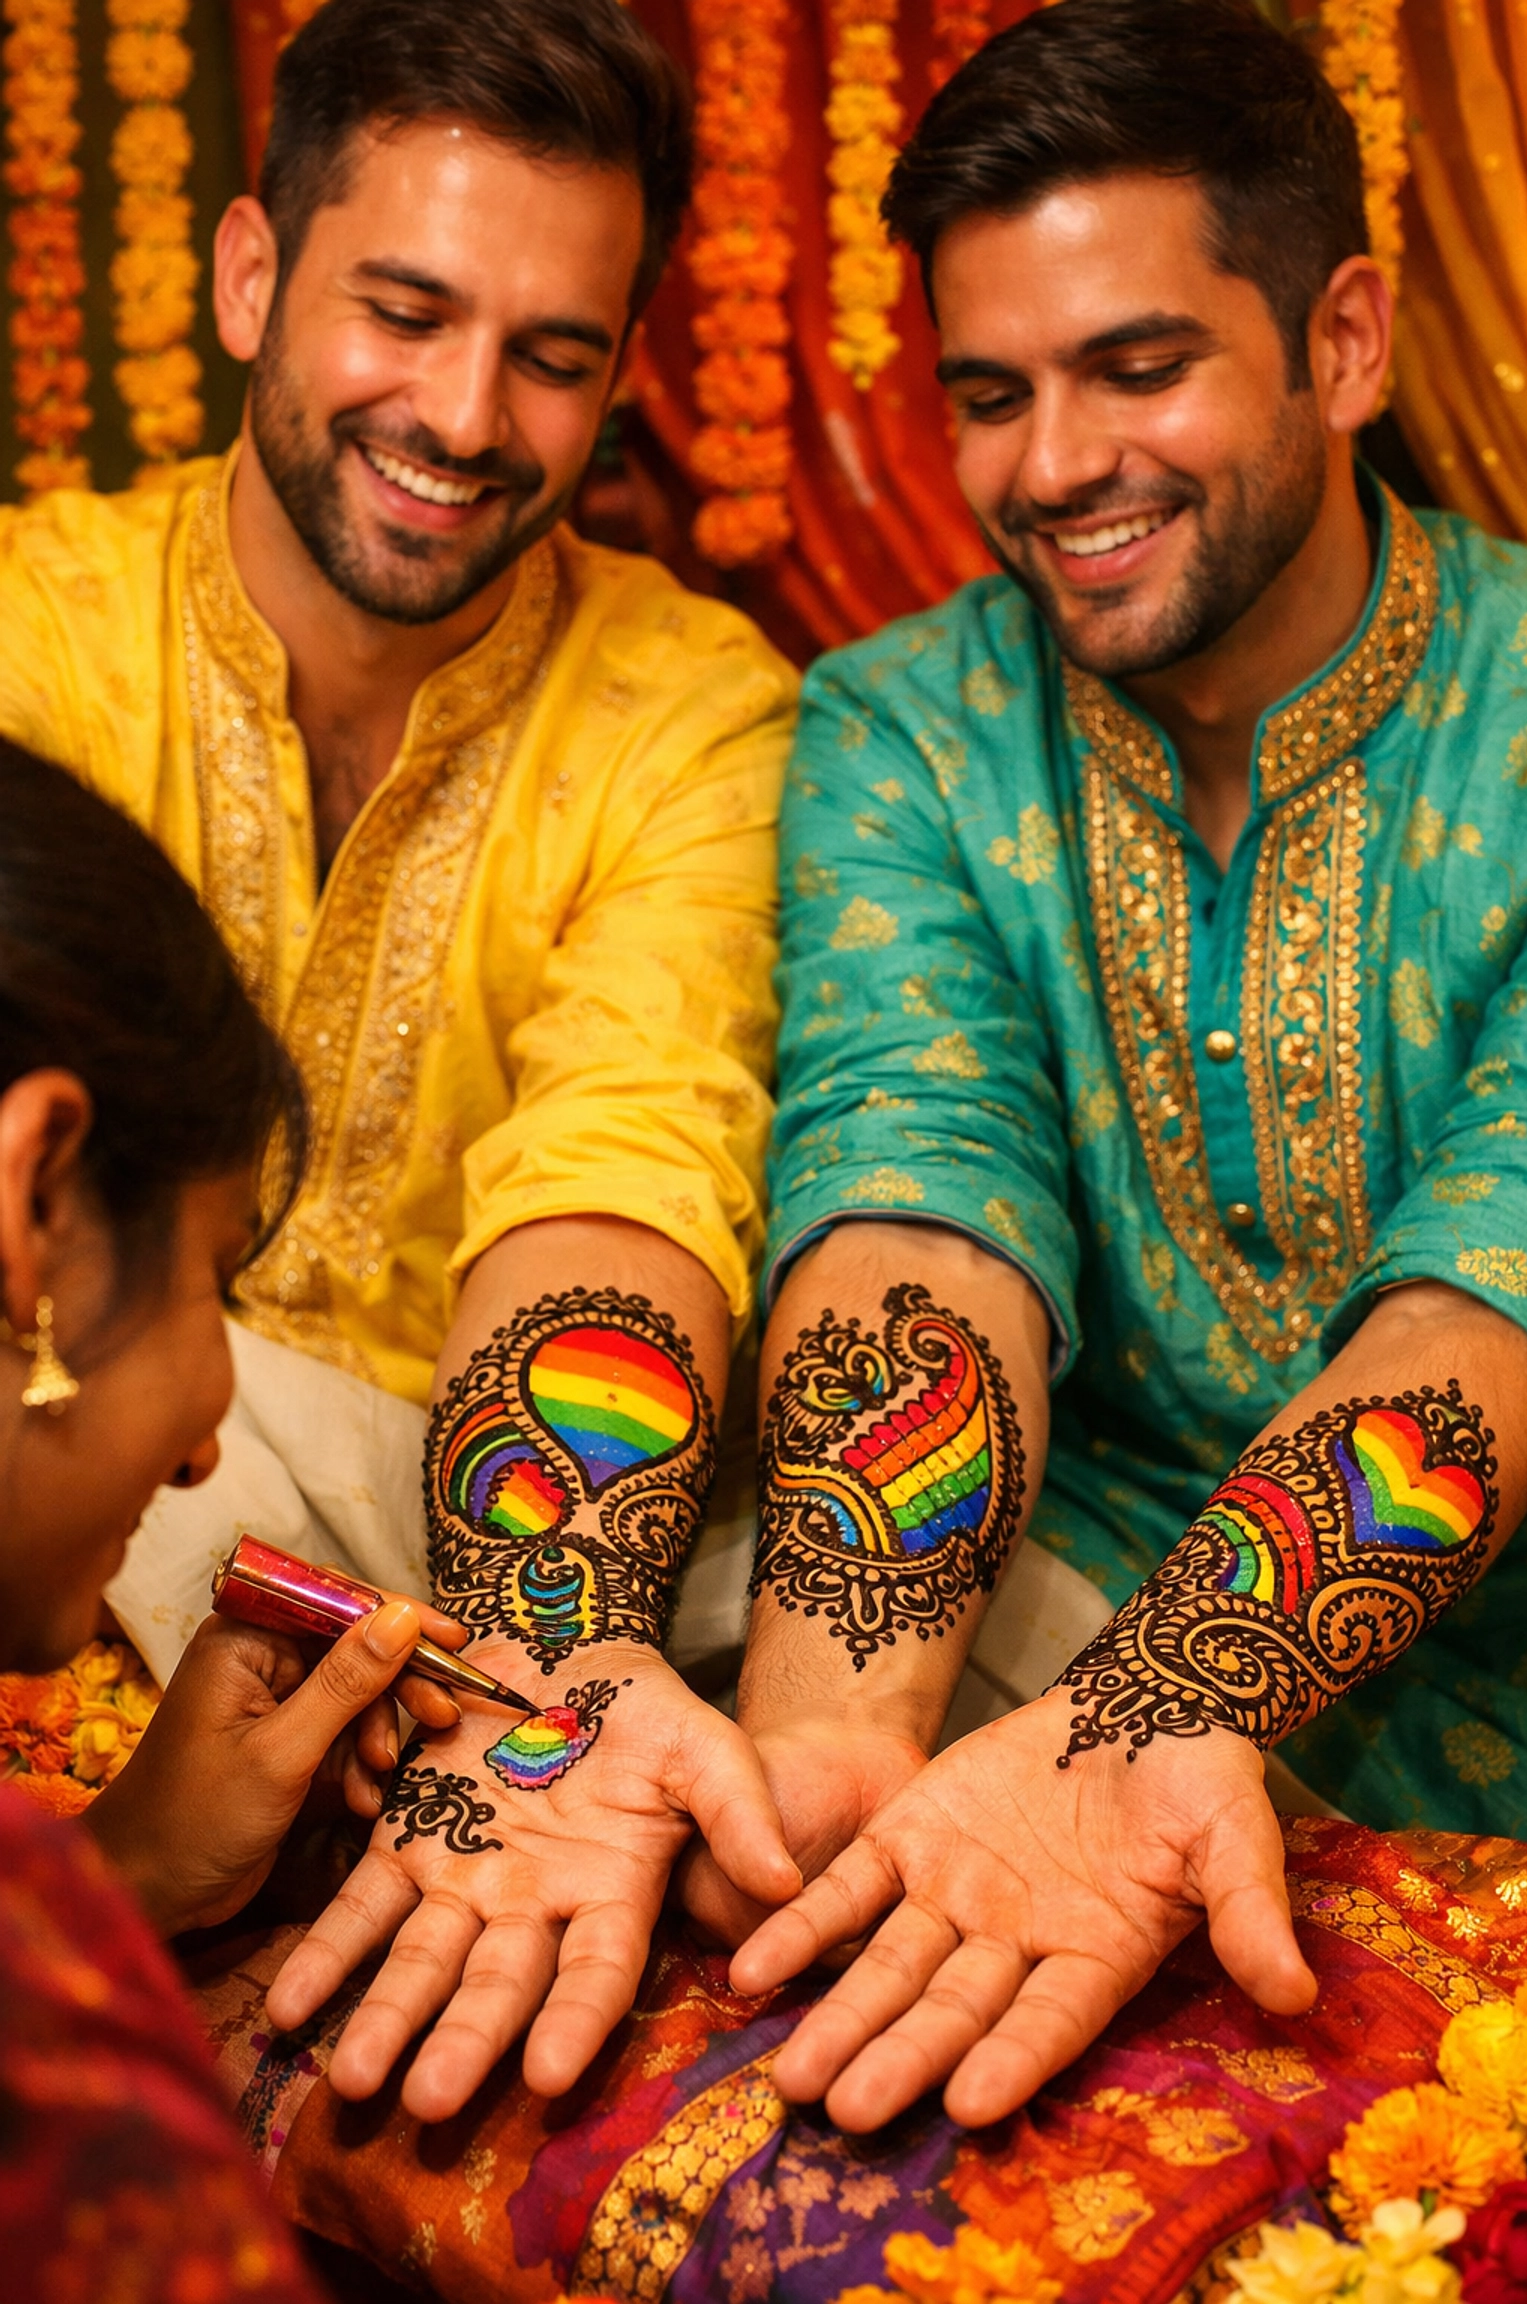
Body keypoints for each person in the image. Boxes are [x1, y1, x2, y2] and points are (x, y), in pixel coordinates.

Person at [705, 0, 1527, 2139]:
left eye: (1137, 368)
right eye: (991, 395)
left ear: (1342, 343)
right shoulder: (906, 728)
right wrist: (833, 1739)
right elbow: (917, 1197)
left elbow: (1494, 1287)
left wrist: (1157, 1717)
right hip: (1043, 1669)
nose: (1052, 465)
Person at [0, 0, 800, 2122]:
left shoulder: (696, 713)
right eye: (407, 311)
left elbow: (631, 1167)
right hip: (104, 1466)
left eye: (552, 352)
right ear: (255, 277)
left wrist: (545, 1670)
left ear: (624, 367)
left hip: (551, 1513)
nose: (462, 414)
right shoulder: (34, 635)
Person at [0, 737, 485, 2295]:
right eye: (217, 1276)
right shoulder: (61, 2079)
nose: (213, 1450)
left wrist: (121, 1868)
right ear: (33, 1200)